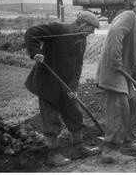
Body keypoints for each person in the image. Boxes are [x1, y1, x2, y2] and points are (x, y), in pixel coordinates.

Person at [24, 11, 101, 166]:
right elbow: (32, 33)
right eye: (91, 29)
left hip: (65, 84)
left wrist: (73, 87)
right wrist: (36, 52)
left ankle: (78, 148)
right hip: (47, 82)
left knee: (74, 114)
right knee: (51, 118)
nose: (92, 33)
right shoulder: (59, 29)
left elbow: (78, 66)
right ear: (83, 24)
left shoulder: (81, 39)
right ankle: (53, 155)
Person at [95, 0, 136, 163]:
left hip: (124, 74)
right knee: (119, 109)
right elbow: (115, 32)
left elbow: (134, 62)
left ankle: (127, 142)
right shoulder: (129, 16)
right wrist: (115, 60)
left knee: (133, 107)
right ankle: (110, 150)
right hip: (114, 72)